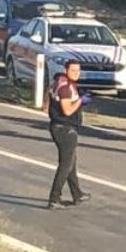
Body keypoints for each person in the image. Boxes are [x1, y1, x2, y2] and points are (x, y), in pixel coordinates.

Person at [46, 60, 91, 209]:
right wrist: (80, 101)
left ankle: (77, 194)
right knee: (66, 164)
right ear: (66, 70)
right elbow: (67, 110)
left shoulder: (60, 82)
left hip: (60, 127)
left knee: (71, 161)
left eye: (78, 71)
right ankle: (54, 198)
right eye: (73, 70)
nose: (76, 73)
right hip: (64, 129)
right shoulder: (65, 87)